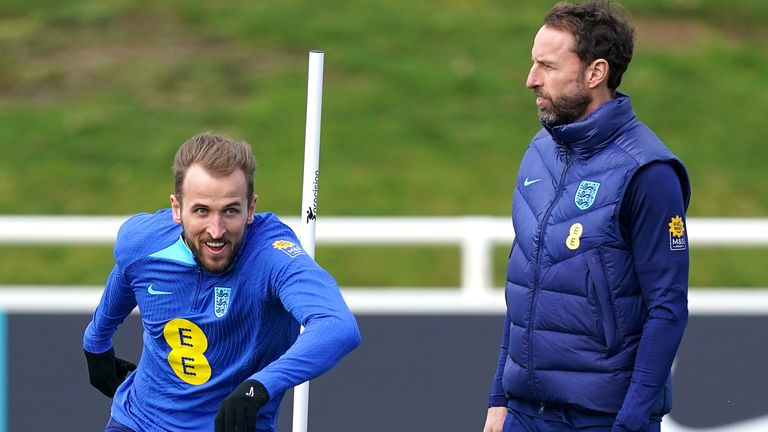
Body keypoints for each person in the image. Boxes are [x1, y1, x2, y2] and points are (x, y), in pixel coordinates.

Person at [483, 1, 690, 431]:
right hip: (522, 414)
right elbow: (527, 283)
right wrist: (499, 399)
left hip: (601, 420)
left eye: (547, 66)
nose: (530, 79)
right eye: (532, 62)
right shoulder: (539, 152)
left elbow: (667, 309)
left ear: (595, 73)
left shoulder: (648, 172)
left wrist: (631, 423)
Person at [83, 132, 360, 432]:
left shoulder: (273, 257)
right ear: (176, 209)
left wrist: (260, 386)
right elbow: (127, 271)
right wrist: (96, 342)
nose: (216, 231)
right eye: (201, 210)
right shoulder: (141, 240)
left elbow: (337, 325)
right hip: (138, 422)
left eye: (230, 210)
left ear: (251, 208)